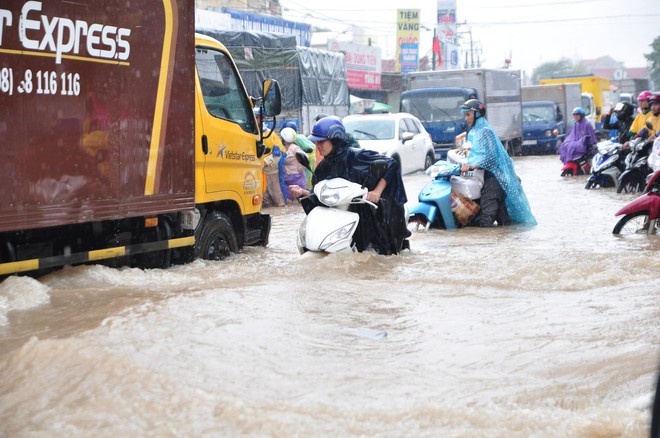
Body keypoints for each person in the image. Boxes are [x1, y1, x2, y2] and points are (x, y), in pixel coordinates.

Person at [289, 116, 410, 255]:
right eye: (316, 142)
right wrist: (303, 192)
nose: (318, 146)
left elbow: (391, 164)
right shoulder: (323, 166)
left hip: (366, 213)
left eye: (321, 141)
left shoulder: (357, 156)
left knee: (376, 252)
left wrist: (376, 191)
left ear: (335, 139)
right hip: (340, 214)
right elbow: (321, 193)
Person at [458, 99, 536, 227]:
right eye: (465, 115)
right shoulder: (475, 132)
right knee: (503, 218)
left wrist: (471, 166)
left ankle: (487, 244)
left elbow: (490, 158)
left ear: (477, 114)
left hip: (496, 177)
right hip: (493, 176)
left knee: (486, 218)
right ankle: (509, 239)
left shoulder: (484, 131)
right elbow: (475, 153)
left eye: (468, 114)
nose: (465, 118)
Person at [255, 107, 287, 207]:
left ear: (261, 118)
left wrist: (266, 162)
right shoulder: (247, 134)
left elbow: (279, 153)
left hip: (271, 171)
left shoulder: (270, 134)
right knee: (262, 202)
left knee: (278, 200)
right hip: (256, 173)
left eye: (256, 117)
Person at [279, 127, 309, 199]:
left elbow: (306, 157)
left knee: (300, 199)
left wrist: (302, 167)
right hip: (288, 178)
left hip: (297, 178)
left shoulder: (294, 148)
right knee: (288, 199)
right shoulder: (285, 149)